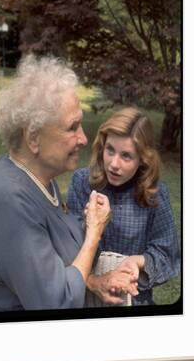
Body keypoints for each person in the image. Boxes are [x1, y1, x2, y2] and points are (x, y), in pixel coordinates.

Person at [0, 55, 138, 311]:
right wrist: (94, 233)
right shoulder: (8, 200)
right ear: (33, 137)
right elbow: (57, 302)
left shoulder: (41, 179)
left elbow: (50, 264)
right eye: (72, 127)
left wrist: (92, 281)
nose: (84, 138)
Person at [67, 107, 180, 306]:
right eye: (110, 150)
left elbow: (168, 255)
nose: (114, 164)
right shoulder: (83, 183)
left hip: (133, 300)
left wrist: (139, 261)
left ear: (143, 159)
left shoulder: (154, 194)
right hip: (86, 296)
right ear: (102, 146)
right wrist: (88, 226)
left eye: (126, 156)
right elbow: (66, 247)